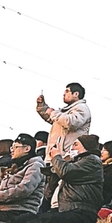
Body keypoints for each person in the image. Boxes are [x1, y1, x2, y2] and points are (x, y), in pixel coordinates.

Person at [0, 135, 104, 223]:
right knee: (34, 218)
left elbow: (64, 172)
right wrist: (58, 165)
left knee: (46, 221)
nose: (72, 147)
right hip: (68, 208)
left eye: (76, 145)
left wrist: (57, 157)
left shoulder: (92, 160)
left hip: (82, 211)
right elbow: (52, 179)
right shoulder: (78, 163)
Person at [36, 82, 92, 212]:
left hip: (67, 156)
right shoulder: (64, 111)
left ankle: (51, 211)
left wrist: (53, 113)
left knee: (57, 186)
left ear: (76, 94)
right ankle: (45, 212)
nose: (63, 94)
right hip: (56, 154)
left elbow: (71, 122)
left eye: (67, 91)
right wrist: (42, 106)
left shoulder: (82, 108)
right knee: (49, 187)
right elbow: (52, 117)